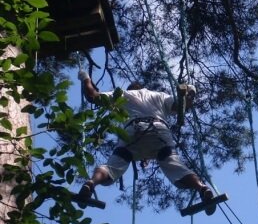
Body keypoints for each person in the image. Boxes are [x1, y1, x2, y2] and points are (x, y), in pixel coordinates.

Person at [76, 70, 216, 214]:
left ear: (130, 89)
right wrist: (191, 92)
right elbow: (182, 106)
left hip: (132, 132)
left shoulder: (122, 95)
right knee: (176, 167)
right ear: (141, 87)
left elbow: (92, 95)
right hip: (159, 131)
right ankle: (202, 188)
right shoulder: (159, 95)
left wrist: (85, 78)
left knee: (112, 167)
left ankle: (91, 183)